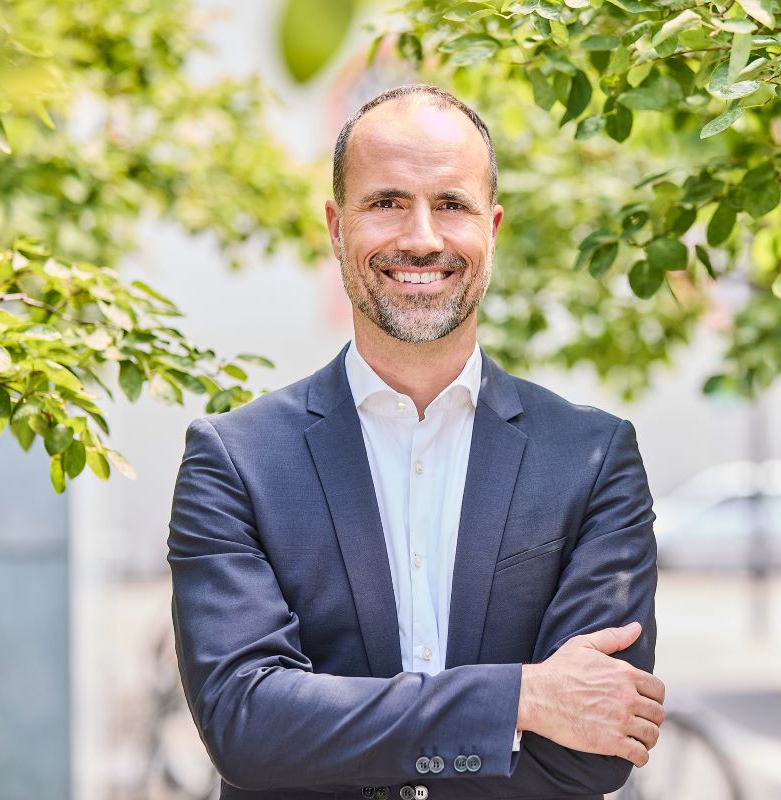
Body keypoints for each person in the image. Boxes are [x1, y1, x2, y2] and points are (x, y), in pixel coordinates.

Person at [167, 84, 663, 800]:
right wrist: (519, 699)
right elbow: (247, 728)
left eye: (451, 204)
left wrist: (340, 729)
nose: (421, 237)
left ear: (492, 227)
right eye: (387, 202)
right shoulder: (236, 461)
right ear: (336, 227)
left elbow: (597, 751)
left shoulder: (593, 458)